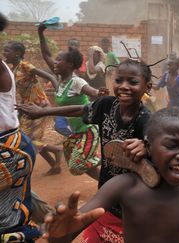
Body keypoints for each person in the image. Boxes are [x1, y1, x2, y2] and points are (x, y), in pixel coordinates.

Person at [41, 107, 179, 243]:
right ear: (148, 147)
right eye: (172, 146)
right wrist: (60, 235)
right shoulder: (123, 186)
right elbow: (68, 231)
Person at [16, 58, 153, 242]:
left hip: (134, 207)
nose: (124, 86)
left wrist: (147, 146)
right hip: (106, 198)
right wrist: (43, 112)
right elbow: (81, 110)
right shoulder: (107, 105)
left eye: (133, 82)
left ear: (148, 86)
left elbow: (158, 147)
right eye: (119, 80)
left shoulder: (146, 120)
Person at [37, 22, 104, 180]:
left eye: (59, 60)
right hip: (76, 133)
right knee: (79, 164)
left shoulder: (76, 82)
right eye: (56, 59)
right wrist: (40, 32)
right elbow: (46, 55)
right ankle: (106, 180)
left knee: (76, 165)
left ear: (70, 65)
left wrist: (99, 93)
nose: (55, 62)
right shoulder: (61, 82)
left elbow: (93, 92)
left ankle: (107, 162)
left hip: (88, 130)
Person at [0, 12, 41, 242]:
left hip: (9, 148)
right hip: (14, 138)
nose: (6, 53)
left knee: (8, 222)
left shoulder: (9, 68)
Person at [2, 41, 63, 176]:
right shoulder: (13, 70)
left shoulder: (25, 66)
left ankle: (57, 150)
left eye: (7, 50)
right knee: (25, 139)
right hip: (28, 109)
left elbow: (49, 76)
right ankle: (54, 165)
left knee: (27, 140)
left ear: (17, 53)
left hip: (40, 107)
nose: (4, 53)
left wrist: (58, 88)